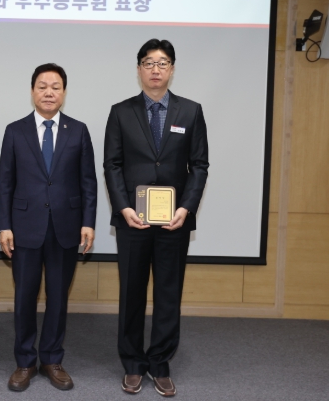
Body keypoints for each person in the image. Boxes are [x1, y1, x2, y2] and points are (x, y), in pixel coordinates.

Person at [103, 39, 209, 397]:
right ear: (139, 69)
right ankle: (133, 363)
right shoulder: (121, 112)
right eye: (148, 63)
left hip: (173, 222)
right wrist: (123, 207)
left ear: (172, 69)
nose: (155, 69)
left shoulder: (190, 111)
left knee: (168, 293)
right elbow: (112, 165)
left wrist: (186, 207)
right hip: (133, 220)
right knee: (131, 293)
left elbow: (200, 166)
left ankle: (160, 363)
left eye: (162, 63)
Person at [0, 63, 98, 392]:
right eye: (42, 86)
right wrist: (3, 225)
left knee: (58, 297)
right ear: (32, 91)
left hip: (65, 227)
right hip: (24, 227)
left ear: (64, 93)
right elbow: (5, 183)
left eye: (55, 87)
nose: (49, 92)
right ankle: (25, 361)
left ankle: (52, 359)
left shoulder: (78, 130)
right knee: (24, 297)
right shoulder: (15, 131)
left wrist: (88, 222)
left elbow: (88, 181)